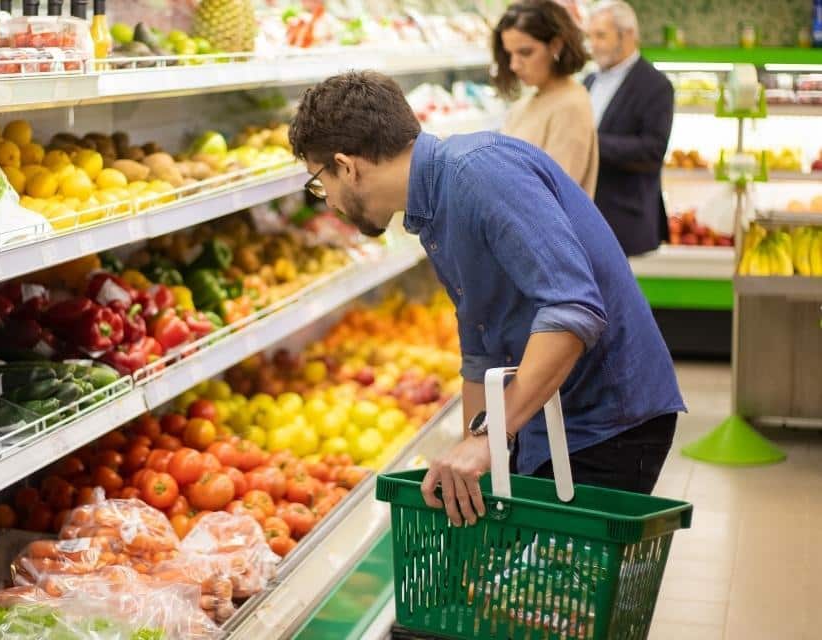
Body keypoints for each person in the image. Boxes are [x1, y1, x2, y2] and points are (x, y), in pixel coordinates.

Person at [288, 71, 684, 526]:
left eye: (320, 183)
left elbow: (573, 310)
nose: (328, 202)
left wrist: (491, 437)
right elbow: (482, 353)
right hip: (548, 417)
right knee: (526, 587)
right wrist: (469, 457)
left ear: (347, 165)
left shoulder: (478, 173)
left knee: (561, 593)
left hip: (605, 421)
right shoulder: (432, 209)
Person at [585, 1, 675, 256]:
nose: (593, 45)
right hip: (590, 218)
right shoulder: (589, 80)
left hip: (626, 223)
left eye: (601, 35)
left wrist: (590, 143)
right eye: (589, 36)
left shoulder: (656, 86)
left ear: (628, 35)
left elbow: (652, 151)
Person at [495, 0, 599, 197]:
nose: (514, 65)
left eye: (525, 52)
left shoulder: (571, 105)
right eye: (509, 54)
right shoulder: (527, 103)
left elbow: (552, 194)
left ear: (556, 46)